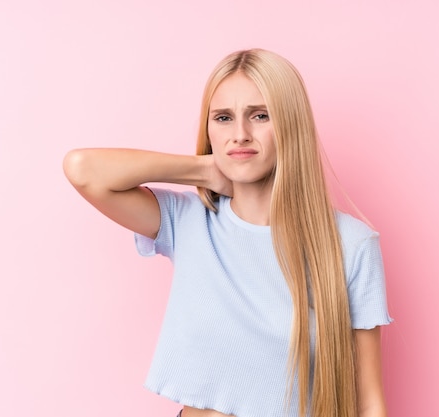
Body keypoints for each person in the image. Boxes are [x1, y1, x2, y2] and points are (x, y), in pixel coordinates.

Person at [63, 48, 392, 417]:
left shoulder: (351, 244)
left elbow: (368, 402)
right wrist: (204, 170)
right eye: (223, 118)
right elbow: (82, 168)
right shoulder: (187, 220)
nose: (240, 135)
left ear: (291, 124)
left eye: (260, 116)